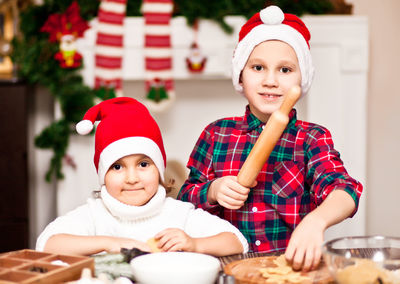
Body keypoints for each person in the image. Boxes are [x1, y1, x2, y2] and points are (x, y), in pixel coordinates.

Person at [178, 5, 363, 271]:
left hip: (287, 268)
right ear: (241, 73)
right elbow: (184, 200)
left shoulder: (311, 138)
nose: (271, 80)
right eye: (258, 67)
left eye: (285, 70)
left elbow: (344, 191)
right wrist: (214, 190)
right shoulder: (215, 134)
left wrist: (316, 221)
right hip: (225, 268)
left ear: (303, 77)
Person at [36, 97, 248, 257]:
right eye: (117, 167)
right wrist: (111, 243)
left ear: (159, 170)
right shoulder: (94, 215)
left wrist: (194, 244)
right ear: (103, 175)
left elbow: (237, 241)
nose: (131, 178)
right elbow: (47, 244)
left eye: (143, 164)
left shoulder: (177, 213)